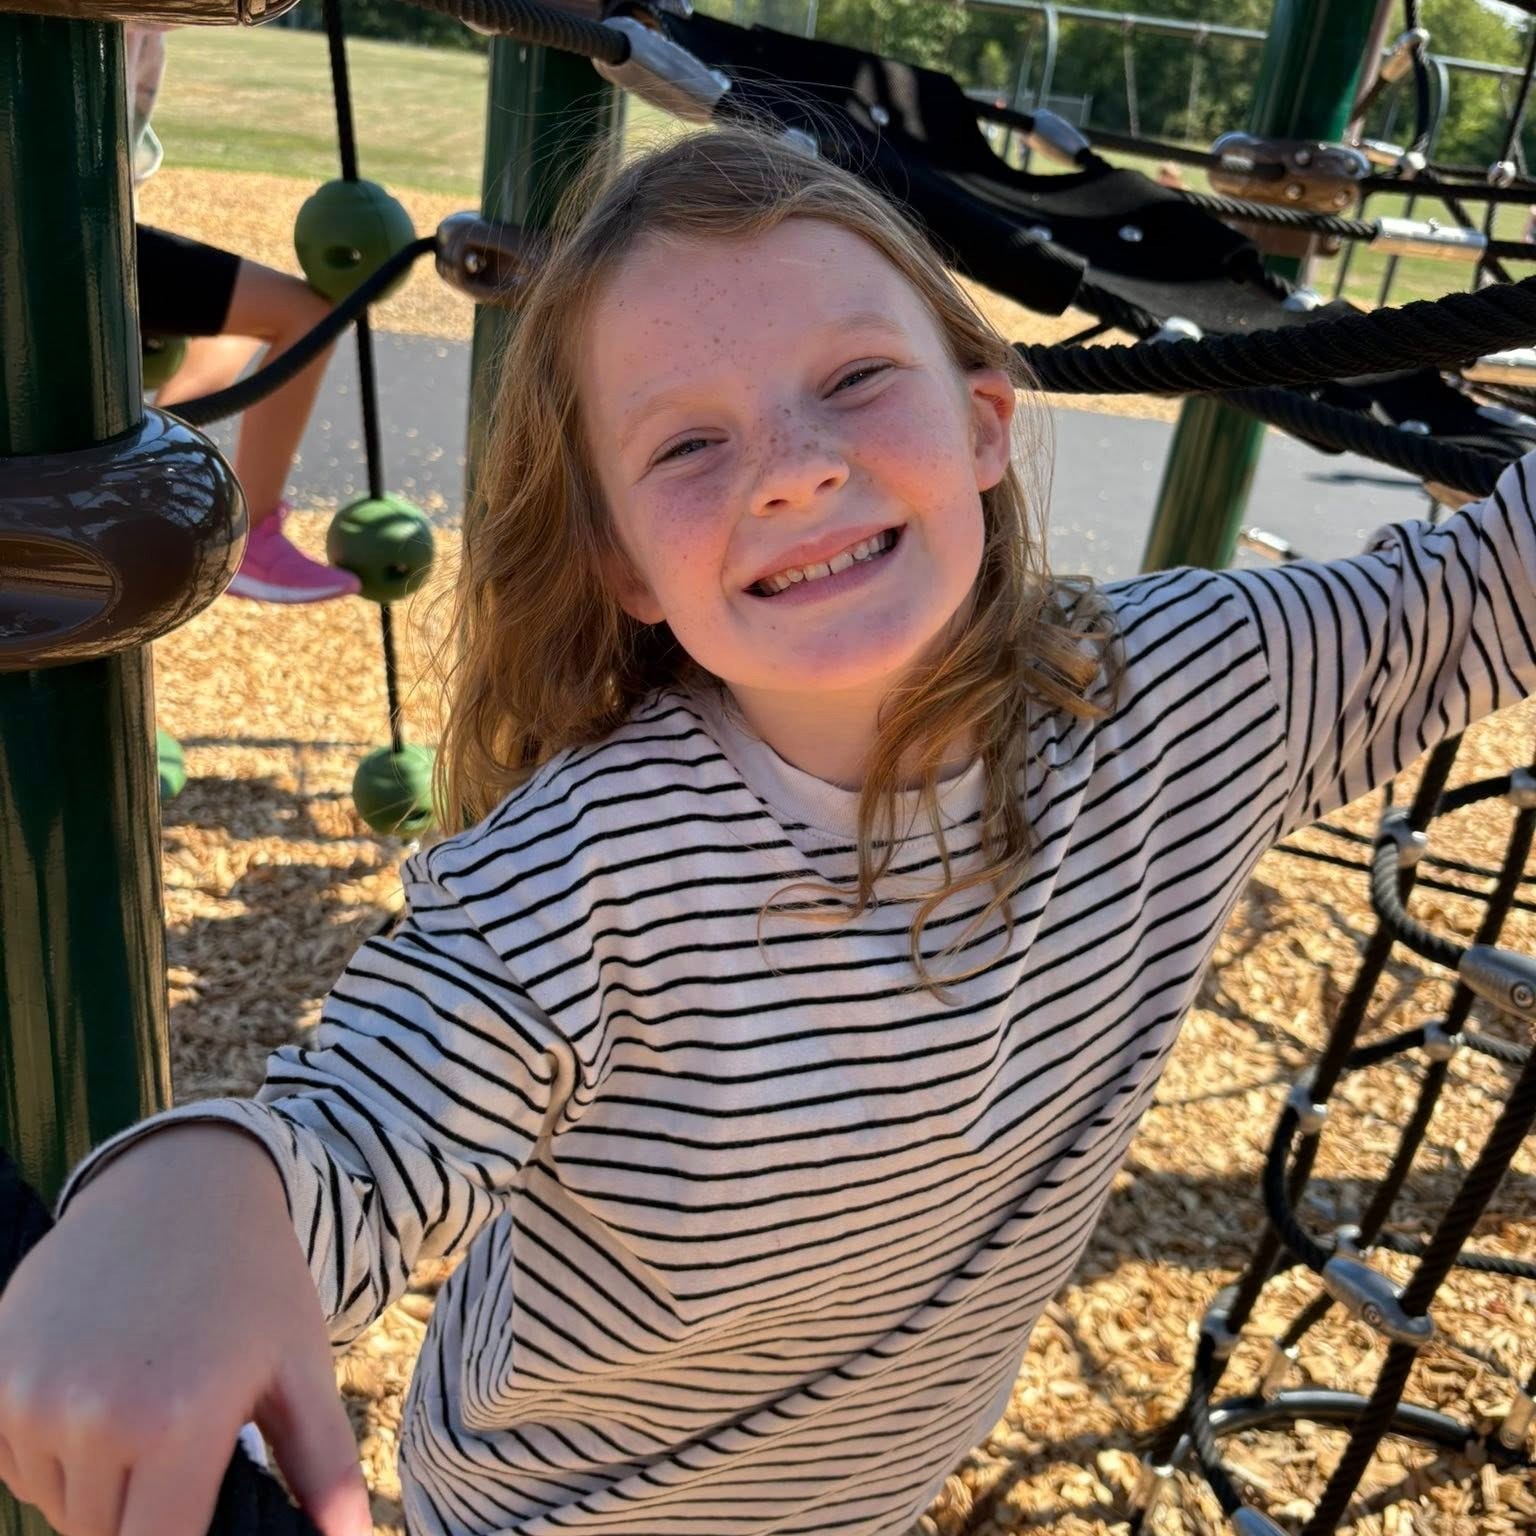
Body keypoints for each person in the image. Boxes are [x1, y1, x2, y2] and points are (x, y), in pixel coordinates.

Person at [1, 126, 1535, 1536]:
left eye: (858, 378)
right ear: (625, 569)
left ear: (987, 421)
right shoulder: (590, 869)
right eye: (687, 446)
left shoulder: (1198, 696)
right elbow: (360, 1129)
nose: (797, 465)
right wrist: (201, 1198)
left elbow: (1483, 595)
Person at [126, 23, 360, 604]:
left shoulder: (143, 30)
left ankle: (150, 480)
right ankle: (252, 531)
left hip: (85, 229)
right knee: (304, 314)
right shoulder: (124, 23)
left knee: (241, 323)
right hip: (61, 242)